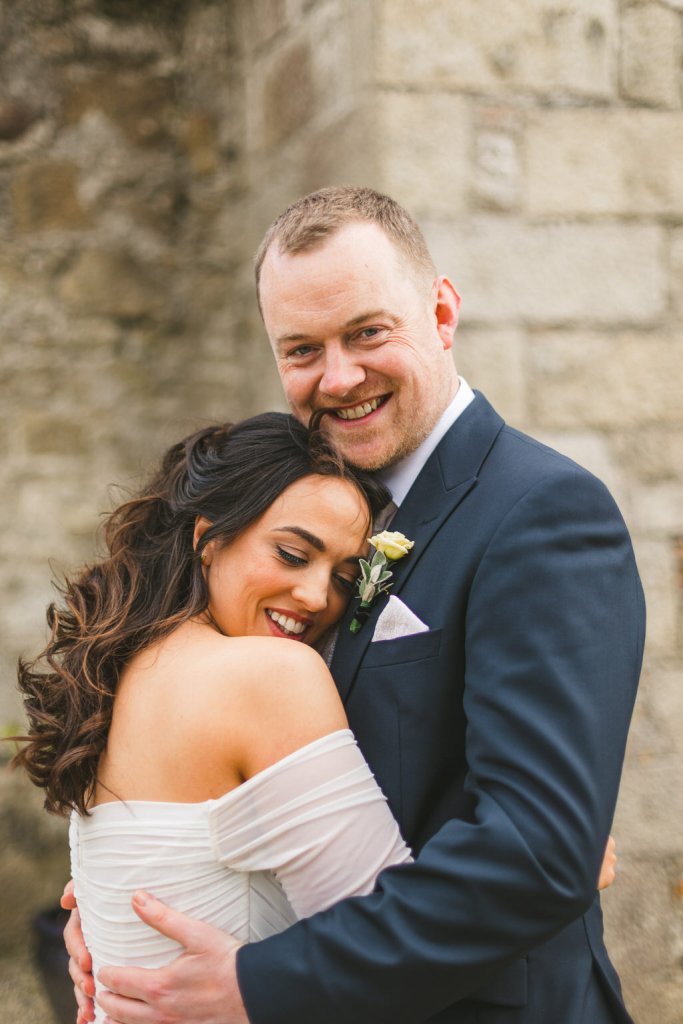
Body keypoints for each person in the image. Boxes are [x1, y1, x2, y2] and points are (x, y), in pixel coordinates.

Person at [64, 187, 643, 1024]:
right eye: (301, 350)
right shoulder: (309, 509)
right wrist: (129, 899)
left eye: (368, 333)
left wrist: (261, 983)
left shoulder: (542, 512)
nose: (339, 377)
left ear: (441, 313)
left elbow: (538, 848)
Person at [15, 412, 416, 1022]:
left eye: (342, 576)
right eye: (290, 553)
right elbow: (392, 940)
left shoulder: (113, 677)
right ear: (209, 536)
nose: (315, 597)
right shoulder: (268, 675)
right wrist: (531, 875)